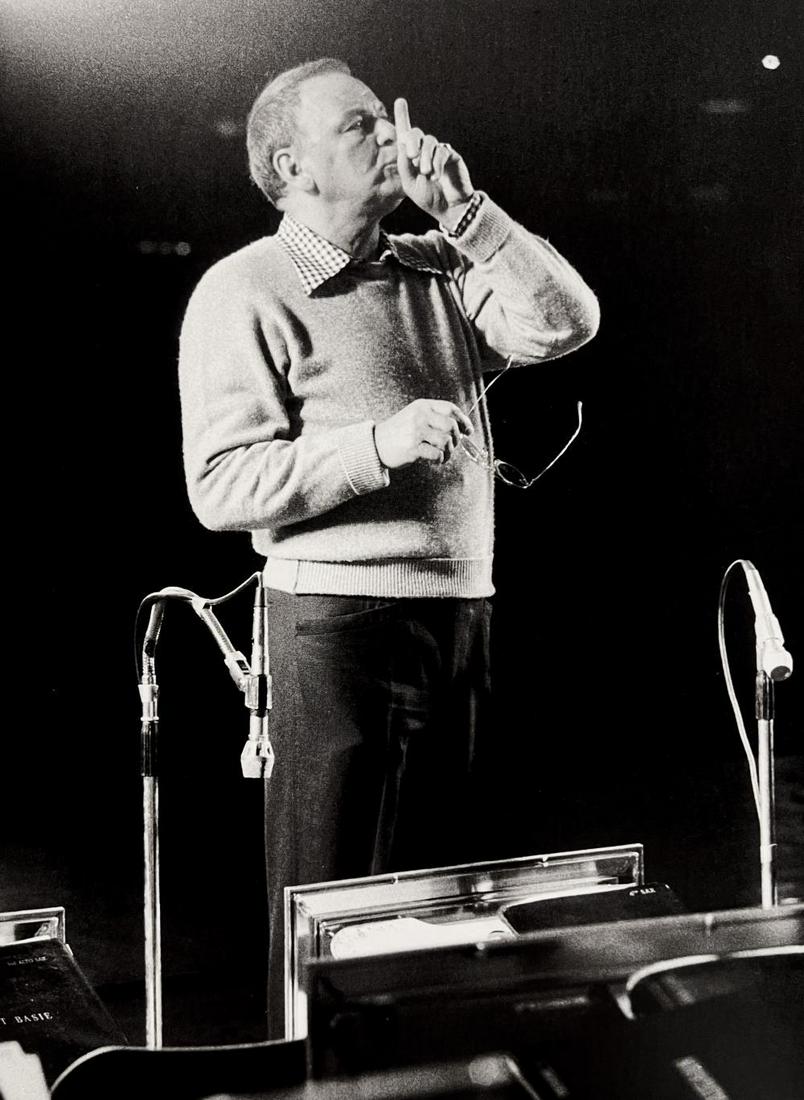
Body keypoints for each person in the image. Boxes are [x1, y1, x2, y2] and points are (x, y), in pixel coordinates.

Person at [178, 57, 599, 1036]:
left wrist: (468, 213)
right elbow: (220, 486)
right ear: (294, 165)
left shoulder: (436, 267)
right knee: (332, 905)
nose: (395, 137)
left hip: (460, 615)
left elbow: (567, 325)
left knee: (447, 901)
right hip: (334, 626)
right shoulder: (242, 289)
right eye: (361, 126)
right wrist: (377, 444)